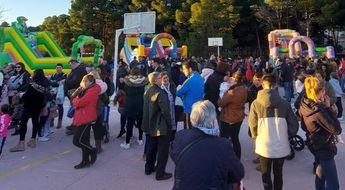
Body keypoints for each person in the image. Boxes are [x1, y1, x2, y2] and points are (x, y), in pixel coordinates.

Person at [170, 100, 244, 190]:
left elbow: (174, 155)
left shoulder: (181, 136)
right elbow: (238, 174)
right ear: (213, 121)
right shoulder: (223, 144)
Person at [249, 68, 299, 190]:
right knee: (278, 174)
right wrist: (285, 134)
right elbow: (294, 125)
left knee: (265, 175)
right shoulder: (285, 104)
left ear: (262, 84)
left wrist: (257, 137)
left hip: (263, 145)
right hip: (281, 144)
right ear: (275, 84)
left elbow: (252, 125)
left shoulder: (255, 103)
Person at [299, 76, 342, 190]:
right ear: (321, 91)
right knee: (333, 184)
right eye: (324, 91)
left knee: (321, 175)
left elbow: (303, 126)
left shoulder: (304, 103)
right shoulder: (318, 111)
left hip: (314, 143)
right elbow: (337, 129)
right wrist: (328, 108)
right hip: (324, 147)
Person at [142, 72, 173, 181]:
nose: (162, 79)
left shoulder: (148, 90)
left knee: (152, 147)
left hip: (150, 124)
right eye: (160, 78)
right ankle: (160, 173)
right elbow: (165, 111)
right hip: (160, 125)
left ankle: (148, 168)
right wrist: (170, 124)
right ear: (155, 80)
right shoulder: (160, 93)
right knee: (163, 150)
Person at [10, 69, 51, 152]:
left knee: (23, 123)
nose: (33, 74)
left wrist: (19, 101)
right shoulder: (46, 81)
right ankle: (33, 141)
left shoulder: (34, 83)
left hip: (29, 105)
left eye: (34, 73)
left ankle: (21, 144)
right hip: (39, 105)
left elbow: (28, 93)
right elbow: (47, 93)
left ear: (37, 74)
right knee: (35, 121)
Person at [71, 75, 100, 169]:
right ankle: (85, 161)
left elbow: (79, 102)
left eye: (86, 81)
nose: (84, 83)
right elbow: (75, 99)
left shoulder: (92, 90)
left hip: (86, 118)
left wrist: (75, 100)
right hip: (82, 116)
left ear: (91, 82)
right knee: (84, 140)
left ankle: (92, 151)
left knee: (77, 141)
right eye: (83, 81)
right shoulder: (86, 89)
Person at [218, 71, 247, 160]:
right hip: (239, 116)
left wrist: (220, 96)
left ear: (234, 79)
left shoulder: (232, 92)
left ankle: (224, 159)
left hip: (229, 118)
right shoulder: (244, 89)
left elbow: (221, 103)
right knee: (235, 138)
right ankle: (237, 159)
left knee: (224, 139)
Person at [120, 67, 147, 149]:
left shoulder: (127, 81)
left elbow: (124, 91)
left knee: (130, 123)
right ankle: (140, 139)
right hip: (141, 103)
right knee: (140, 122)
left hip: (130, 104)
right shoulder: (143, 81)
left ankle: (127, 142)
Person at [177, 60, 204, 129]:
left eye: (184, 69)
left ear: (190, 69)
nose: (183, 71)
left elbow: (178, 93)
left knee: (188, 131)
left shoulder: (189, 80)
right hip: (198, 108)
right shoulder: (200, 78)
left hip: (189, 109)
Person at [64, 59, 87, 135]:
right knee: (75, 111)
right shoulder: (76, 70)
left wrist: (66, 81)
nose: (70, 66)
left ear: (74, 63)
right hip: (74, 93)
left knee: (77, 111)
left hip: (77, 93)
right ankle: (74, 125)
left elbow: (76, 81)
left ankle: (76, 128)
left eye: (70, 64)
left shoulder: (80, 70)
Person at [50, 63, 67, 128]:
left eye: (60, 67)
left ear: (62, 68)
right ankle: (52, 120)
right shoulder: (53, 75)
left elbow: (63, 83)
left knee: (60, 106)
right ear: (55, 68)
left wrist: (55, 83)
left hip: (60, 93)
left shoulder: (65, 75)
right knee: (52, 106)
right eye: (57, 68)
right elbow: (51, 83)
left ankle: (59, 122)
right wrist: (58, 83)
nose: (58, 69)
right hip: (53, 93)